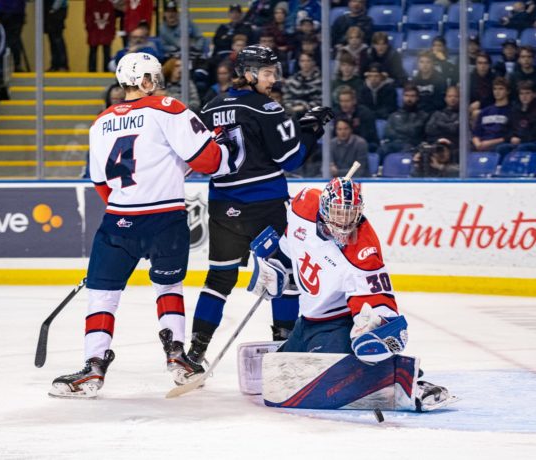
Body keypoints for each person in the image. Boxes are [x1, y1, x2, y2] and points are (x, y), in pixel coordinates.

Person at [49, 52, 240, 398]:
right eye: (155, 78)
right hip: (165, 220)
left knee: (103, 296)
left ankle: (93, 366)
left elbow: (101, 182)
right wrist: (218, 146)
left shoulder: (100, 122)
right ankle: (177, 356)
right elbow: (209, 161)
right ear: (146, 82)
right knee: (168, 287)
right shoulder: (168, 108)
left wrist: (129, 209)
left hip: (118, 221)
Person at [246, 176, 455, 412]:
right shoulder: (302, 204)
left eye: (350, 214)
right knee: (279, 377)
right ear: (324, 207)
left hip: (336, 324)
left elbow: (376, 300)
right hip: (306, 321)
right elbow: (290, 241)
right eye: (338, 213)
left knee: (328, 385)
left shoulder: (362, 251)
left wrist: (376, 328)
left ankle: (409, 380)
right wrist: (275, 264)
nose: (345, 223)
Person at [186, 45, 334, 371]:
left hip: (223, 207)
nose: (273, 79)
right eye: (267, 73)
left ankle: (194, 352)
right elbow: (290, 158)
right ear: (250, 74)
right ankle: (285, 346)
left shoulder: (209, 108)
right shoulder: (267, 107)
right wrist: (310, 130)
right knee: (286, 276)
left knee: (219, 279)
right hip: (265, 206)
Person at [472, 77, 512, 152]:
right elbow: (476, 133)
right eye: (495, 89)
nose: (497, 92)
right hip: (481, 145)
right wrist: (478, 144)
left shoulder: (512, 111)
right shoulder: (485, 112)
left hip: (499, 146)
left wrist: (489, 143)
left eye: (501, 89)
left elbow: (508, 136)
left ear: (508, 91)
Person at [85, 0, 116, 73]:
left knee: (106, 51)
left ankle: (107, 71)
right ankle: (91, 71)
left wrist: (112, 33)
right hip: (94, 31)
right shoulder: (90, 3)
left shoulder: (109, 4)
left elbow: (112, 19)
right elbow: (87, 17)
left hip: (107, 32)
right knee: (93, 51)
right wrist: (89, 29)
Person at [0, 0, 26, 72]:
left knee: (13, 40)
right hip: (10, 11)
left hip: (14, 11)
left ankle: (15, 64)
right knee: (11, 40)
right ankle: (15, 65)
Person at [44, 0, 69, 72]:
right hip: (50, 8)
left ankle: (62, 64)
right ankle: (55, 64)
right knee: (52, 38)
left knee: (57, 38)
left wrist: (53, 9)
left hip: (57, 9)